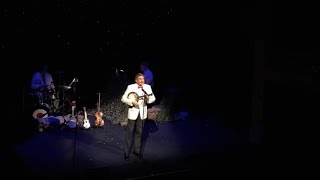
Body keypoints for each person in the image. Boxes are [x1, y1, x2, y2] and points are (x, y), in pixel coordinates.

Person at [121, 73, 156, 160]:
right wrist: (132, 101)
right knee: (129, 132)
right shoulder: (131, 87)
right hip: (133, 112)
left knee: (139, 132)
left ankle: (136, 151)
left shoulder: (147, 87)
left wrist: (148, 99)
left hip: (142, 113)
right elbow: (123, 98)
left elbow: (153, 98)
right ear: (136, 80)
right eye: (140, 79)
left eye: (143, 79)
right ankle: (126, 152)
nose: (142, 80)